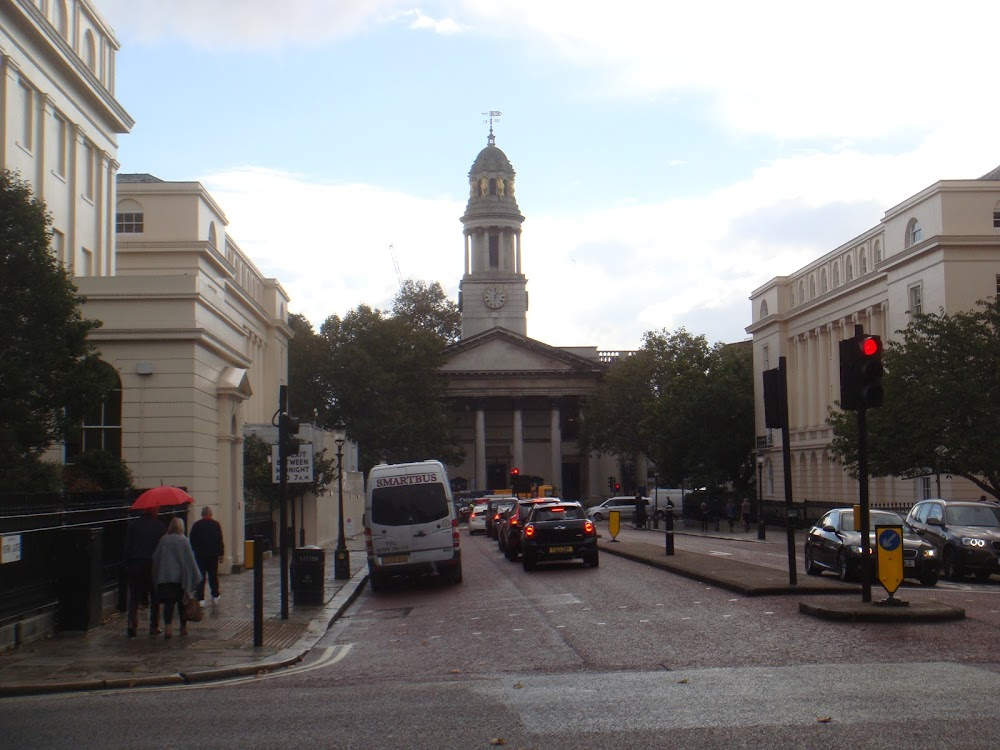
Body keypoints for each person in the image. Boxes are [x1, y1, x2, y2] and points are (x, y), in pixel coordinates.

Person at [152, 517, 201, 638]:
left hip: (165, 578)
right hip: (180, 579)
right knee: (181, 603)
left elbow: (156, 558)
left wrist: (157, 574)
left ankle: (168, 628)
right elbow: (190, 560)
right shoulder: (183, 541)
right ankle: (182, 628)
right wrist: (196, 577)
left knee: (168, 604)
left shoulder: (163, 540)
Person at [123, 507, 166, 638]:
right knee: (154, 596)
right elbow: (162, 548)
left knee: (134, 596)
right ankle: (153, 626)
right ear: (154, 511)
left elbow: (127, 546)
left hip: (135, 563)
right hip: (152, 565)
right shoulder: (160, 526)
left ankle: (131, 623)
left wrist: (126, 563)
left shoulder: (133, 525)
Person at [189, 505, 225, 606]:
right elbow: (219, 540)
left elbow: (192, 539)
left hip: (200, 554)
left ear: (202, 514)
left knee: (201, 576)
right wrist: (221, 553)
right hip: (213, 554)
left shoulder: (196, 525)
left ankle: (200, 598)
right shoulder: (216, 524)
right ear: (210, 514)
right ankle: (215, 595)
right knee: (213, 575)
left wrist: (195, 549)